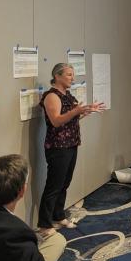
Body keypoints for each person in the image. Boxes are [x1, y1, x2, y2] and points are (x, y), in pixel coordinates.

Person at [38, 63, 105, 238]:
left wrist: (85, 111)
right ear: (57, 76)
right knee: (54, 185)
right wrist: (76, 111)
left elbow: (71, 119)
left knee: (64, 183)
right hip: (58, 147)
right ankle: (44, 224)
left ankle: (58, 216)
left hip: (71, 144)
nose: (72, 78)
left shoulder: (67, 95)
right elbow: (56, 121)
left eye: (72, 75)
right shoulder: (51, 96)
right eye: (69, 75)